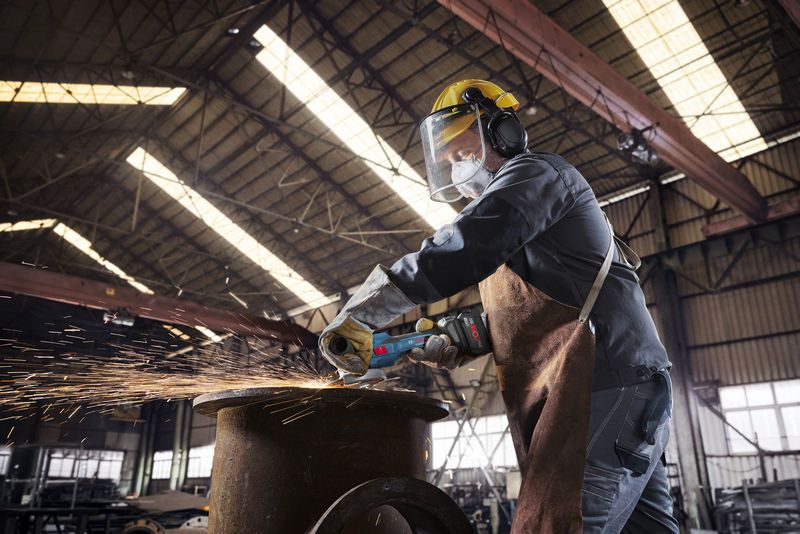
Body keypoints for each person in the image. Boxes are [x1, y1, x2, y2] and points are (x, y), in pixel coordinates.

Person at [319, 79, 678, 533]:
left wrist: (365, 310)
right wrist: (457, 338)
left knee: (553, 524)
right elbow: (535, 311)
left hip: (605, 386)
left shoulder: (539, 175)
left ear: (502, 132)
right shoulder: (517, 218)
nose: (455, 164)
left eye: (461, 147)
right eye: (446, 158)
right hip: (623, 391)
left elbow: (469, 246)